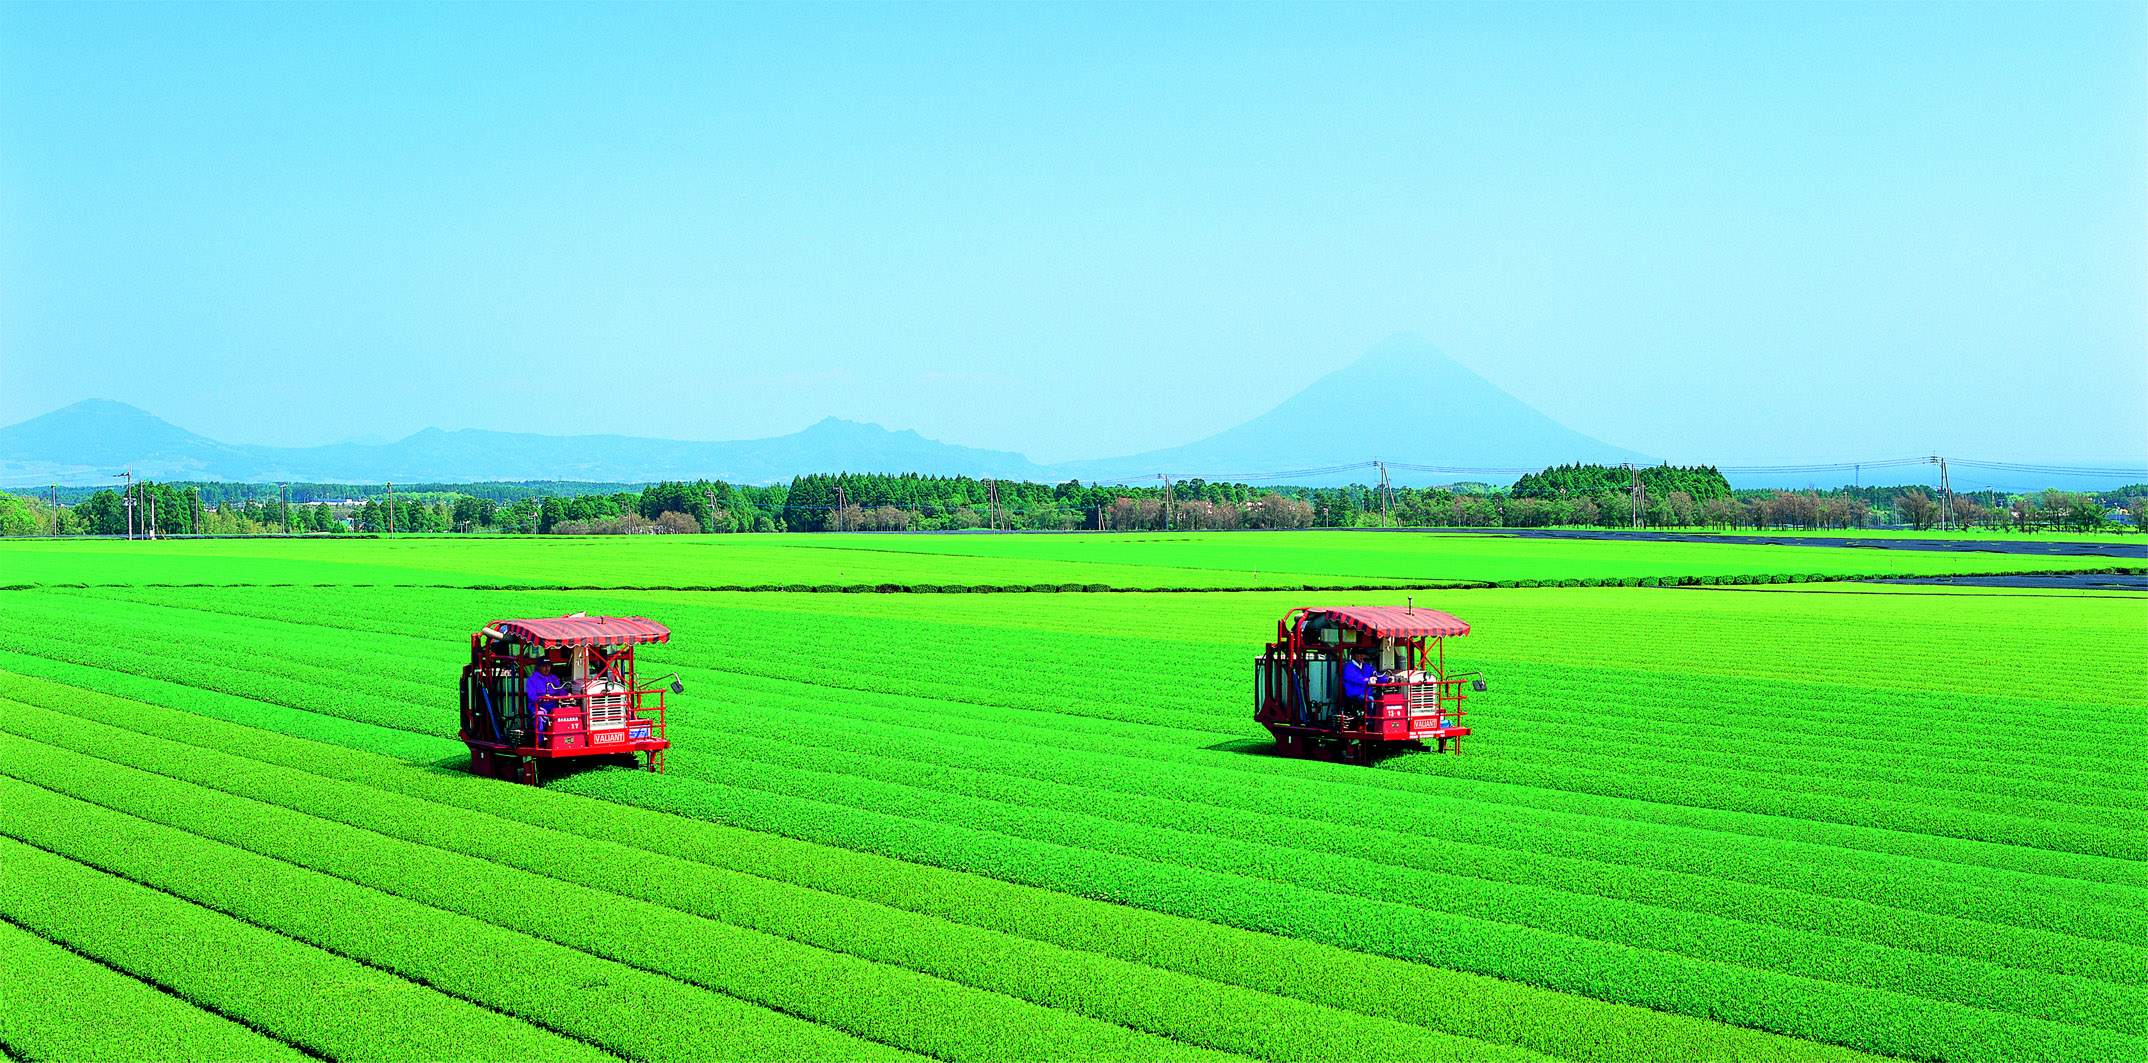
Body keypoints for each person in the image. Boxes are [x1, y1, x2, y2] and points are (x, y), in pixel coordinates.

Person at [1340, 647, 1378, 713]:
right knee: (1369, 699)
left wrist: (1387, 679)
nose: (1361, 656)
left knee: (1383, 697)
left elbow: (1377, 675)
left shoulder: (1366, 667)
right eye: (1359, 654)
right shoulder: (1349, 668)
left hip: (1366, 693)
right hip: (1353, 695)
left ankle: (1380, 721)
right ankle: (1368, 722)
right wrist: (1367, 681)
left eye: (1362, 654)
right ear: (1352, 656)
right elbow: (1356, 678)